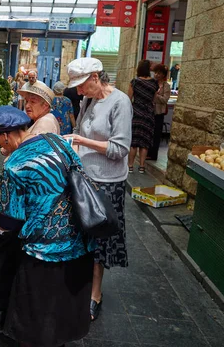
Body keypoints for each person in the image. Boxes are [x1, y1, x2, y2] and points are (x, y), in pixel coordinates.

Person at [0, 105, 95, 347]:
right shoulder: (56, 141)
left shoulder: (15, 165)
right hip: (79, 242)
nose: (0, 147)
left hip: (44, 253)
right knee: (63, 310)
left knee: (38, 318)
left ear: (5, 135)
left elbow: (12, 220)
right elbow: (78, 173)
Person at [64, 57, 132, 322]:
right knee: (81, 236)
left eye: (82, 85)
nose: (78, 91)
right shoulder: (87, 100)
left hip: (107, 182)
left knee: (100, 241)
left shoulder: (120, 102)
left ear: (95, 77)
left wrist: (83, 141)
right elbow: (79, 130)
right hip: (84, 176)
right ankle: (78, 286)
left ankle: (95, 294)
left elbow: (119, 149)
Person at [127, 60, 158, 174]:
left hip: (136, 113)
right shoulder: (154, 82)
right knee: (144, 142)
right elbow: (154, 99)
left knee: (133, 142)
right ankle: (142, 166)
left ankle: (130, 166)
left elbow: (128, 98)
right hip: (148, 114)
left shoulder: (134, 82)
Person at [148, 64, 171, 161]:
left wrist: (155, 96)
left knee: (156, 134)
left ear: (163, 75)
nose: (156, 75)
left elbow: (165, 100)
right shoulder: (151, 83)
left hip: (159, 113)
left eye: (159, 73)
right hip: (149, 112)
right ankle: (147, 153)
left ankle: (153, 155)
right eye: (156, 72)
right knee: (149, 133)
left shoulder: (166, 86)